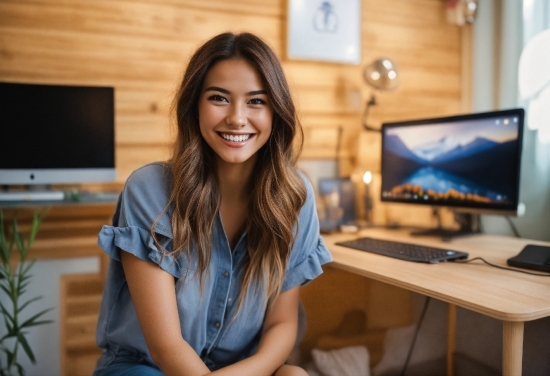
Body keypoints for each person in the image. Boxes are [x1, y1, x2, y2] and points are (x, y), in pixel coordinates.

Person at [93, 32, 332, 376]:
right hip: (148, 366)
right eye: (219, 98)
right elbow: (165, 347)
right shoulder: (149, 190)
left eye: (256, 101)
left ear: (276, 111)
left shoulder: (296, 196)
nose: (237, 118)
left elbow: (281, 325)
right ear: (195, 106)